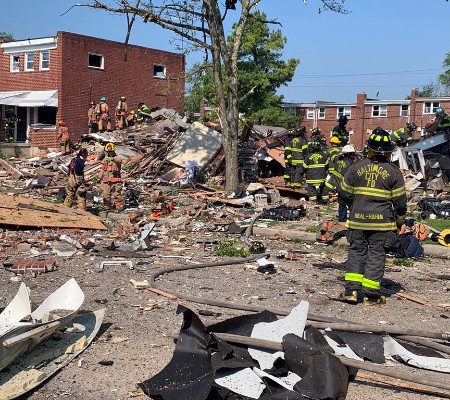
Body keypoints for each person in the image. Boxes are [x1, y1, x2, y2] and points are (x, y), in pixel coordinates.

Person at [338, 128, 407, 305]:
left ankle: (351, 291)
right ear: (389, 151)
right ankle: (370, 295)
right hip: (382, 224)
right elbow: (400, 203)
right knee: (376, 254)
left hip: (358, 221)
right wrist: (399, 222)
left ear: (369, 148)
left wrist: (353, 205)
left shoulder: (356, 167)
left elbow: (344, 192)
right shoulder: (393, 171)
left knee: (356, 252)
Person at [327, 144, 357, 222]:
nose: (354, 155)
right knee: (352, 203)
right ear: (349, 154)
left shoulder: (338, 158)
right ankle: (353, 218)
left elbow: (332, 157)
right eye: (352, 154)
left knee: (342, 204)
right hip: (347, 186)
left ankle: (342, 220)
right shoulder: (351, 163)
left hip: (339, 185)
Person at [99, 142, 124, 211]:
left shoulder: (117, 157)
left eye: (111, 151)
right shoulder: (105, 159)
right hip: (106, 181)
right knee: (105, 194)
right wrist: (99, 177)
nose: (109, 153)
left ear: (113, 151)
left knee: (117, 194)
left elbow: (119, 161)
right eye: (108, 152)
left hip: (115, 180)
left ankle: (119, 207)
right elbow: (102, 169)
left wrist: (112, 159)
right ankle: (107, 207)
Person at [304, 139, 329, 203]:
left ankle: (313, 202)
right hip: (321, 177)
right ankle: (325, 201)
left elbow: (304, 167)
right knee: (323, 188)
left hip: (311, 178)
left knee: (312, 189)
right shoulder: (324, 155)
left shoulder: (308, 156)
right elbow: (327, 165)